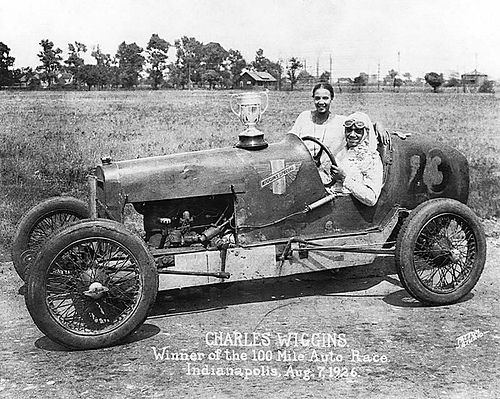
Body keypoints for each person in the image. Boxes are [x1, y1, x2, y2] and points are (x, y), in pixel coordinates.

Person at [329, 112, 383, 206]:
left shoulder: (372, 159)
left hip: (350, 209)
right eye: (349, 130)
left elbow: (371, 198)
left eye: (358, 131)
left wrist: (344, 178)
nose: (352, 135)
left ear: (365, 133)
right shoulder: (339, 152)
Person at [289, 82, 347, 156]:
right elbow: (291, 139)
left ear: (331, 98)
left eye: (325, 98)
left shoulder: (340, 122)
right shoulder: (304, 117)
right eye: (317, 98)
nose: (321, 102)